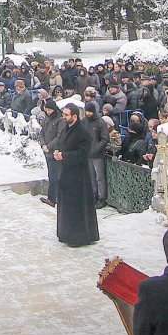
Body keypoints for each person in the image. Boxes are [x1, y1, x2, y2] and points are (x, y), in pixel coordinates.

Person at [54, 104, 99, 246]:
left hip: (78, 176)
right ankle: (65, 233)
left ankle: (78, 236)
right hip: (66, 173)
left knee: (76, 207)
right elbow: (62, 144)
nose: (64, 117)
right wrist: (57, 152)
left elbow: (83, 153)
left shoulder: (82, 132)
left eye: (66, 115)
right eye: (63, 114)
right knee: (66, 205)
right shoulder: (66, 128)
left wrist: (64, 156)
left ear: (74, 116)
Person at [85, 102, 111, 209]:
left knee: (99, 177)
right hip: (88, 153)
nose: (88, 114)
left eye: (89, 112)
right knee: (91, 176)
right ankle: (93, 194)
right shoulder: (84, 122)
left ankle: (102, 197)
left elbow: (105, 139)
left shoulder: (100, 122)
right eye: (86, 111)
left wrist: (95, 149)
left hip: (97, 154)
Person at [39, 99, 63, 207]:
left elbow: (59, 136)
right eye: (46, 110)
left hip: (54, 151)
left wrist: (49, 146)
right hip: (47, 151)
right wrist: (43, 144)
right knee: (51, 175)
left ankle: (54, 198)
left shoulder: (59, 120)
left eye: (49, 110)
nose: (48, 112)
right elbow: (42, 133)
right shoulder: (46, 119)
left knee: (55, 176)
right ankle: (51, 197)